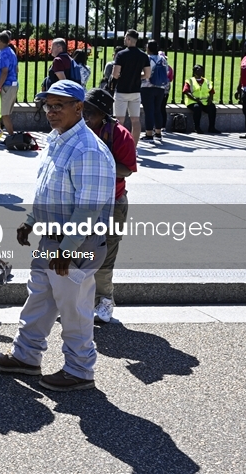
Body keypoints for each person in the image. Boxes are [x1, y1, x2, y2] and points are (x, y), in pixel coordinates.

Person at [0, 80, 115, 391]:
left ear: (79, 108)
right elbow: (48, 191)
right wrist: (30, 221)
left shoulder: (88, 149)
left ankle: (80, 370)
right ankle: (26, 356)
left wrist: (67, 249)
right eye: (48, 105)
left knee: (75, 311)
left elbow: (87, 209)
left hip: (76, 245)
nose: (51, 112)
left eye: (59, 105)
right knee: (39, 300)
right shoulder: (58, 140)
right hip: (52, 240)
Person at [82, 88, 136, 324]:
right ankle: (77, 301)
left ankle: (104, 300)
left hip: (112, 203)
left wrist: (102, 159)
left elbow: (127, 170)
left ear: (102, 114)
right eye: (82, 111)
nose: (84, 118)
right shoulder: (78, 131)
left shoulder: (120, 135)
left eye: (90, 114)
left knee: (105, 254)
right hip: (82, 203)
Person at [111, 31, 150, 143]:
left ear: (128, 39)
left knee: (119, 120)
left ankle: (118, 145)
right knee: (135, 120)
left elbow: (115, 74)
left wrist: (122, 76)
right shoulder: (143, 55)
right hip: (136, 91)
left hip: (122, 90)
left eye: (125, 38)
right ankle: (134, 147)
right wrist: (138, 77)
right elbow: (147, 75)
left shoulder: (121, 54)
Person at [140, 40, 168, 142]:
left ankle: (149, 134)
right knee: (158, 110)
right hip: (160, 87)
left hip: (148, 86)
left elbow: (145, 72)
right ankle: (158, 132)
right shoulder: (163, 59)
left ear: (148, 48)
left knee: (149, 111)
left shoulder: (147, 58)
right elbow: (167, 71)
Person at [0, 31, 19, 136]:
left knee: (4, 114)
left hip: (6, 86)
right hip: (12, 85)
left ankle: (12, 136)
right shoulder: (11, 52)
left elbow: (4, 71)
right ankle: (8, 134)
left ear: (0, 41)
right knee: (5, 113)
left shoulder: (4, 54)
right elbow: (16, 69)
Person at [182, 65, 219, 134]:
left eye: (201, 70)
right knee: (197, 108)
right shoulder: (189, 81)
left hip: (205, 101)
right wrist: (195, 99)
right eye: (198, 70)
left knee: (212, 107)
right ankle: (197, 127)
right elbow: (186, 91)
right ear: (194, 72)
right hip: (192, 101)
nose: (200, 72)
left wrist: (210, 99)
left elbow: (211, 92)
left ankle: (212, 127)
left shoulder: (207, 81)